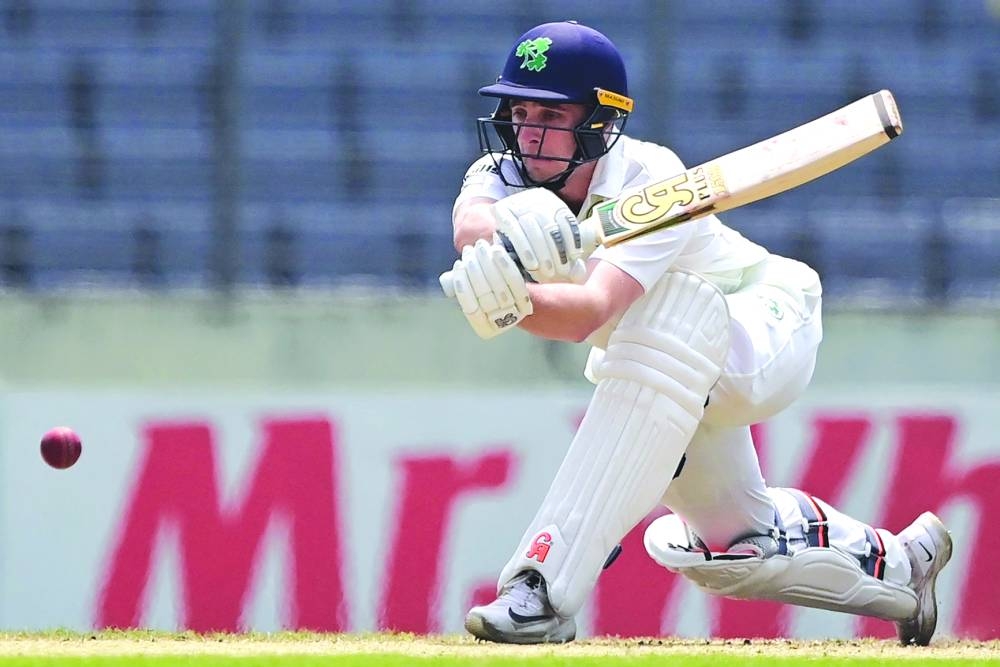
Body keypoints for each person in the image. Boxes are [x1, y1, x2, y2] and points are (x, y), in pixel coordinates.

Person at [441, 20, 951, 646]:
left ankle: (541, 588)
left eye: (551, 114)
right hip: (665, 370)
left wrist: (514, 302)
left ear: (600, 123)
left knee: (665, 313)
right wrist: (504, 239)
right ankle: (904, 570)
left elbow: (589, 312)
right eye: (520, 111)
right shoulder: (501, 173)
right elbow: (471, 222)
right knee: (735, 546)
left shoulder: (652, 178)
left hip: (761, 325)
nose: (528, 131)